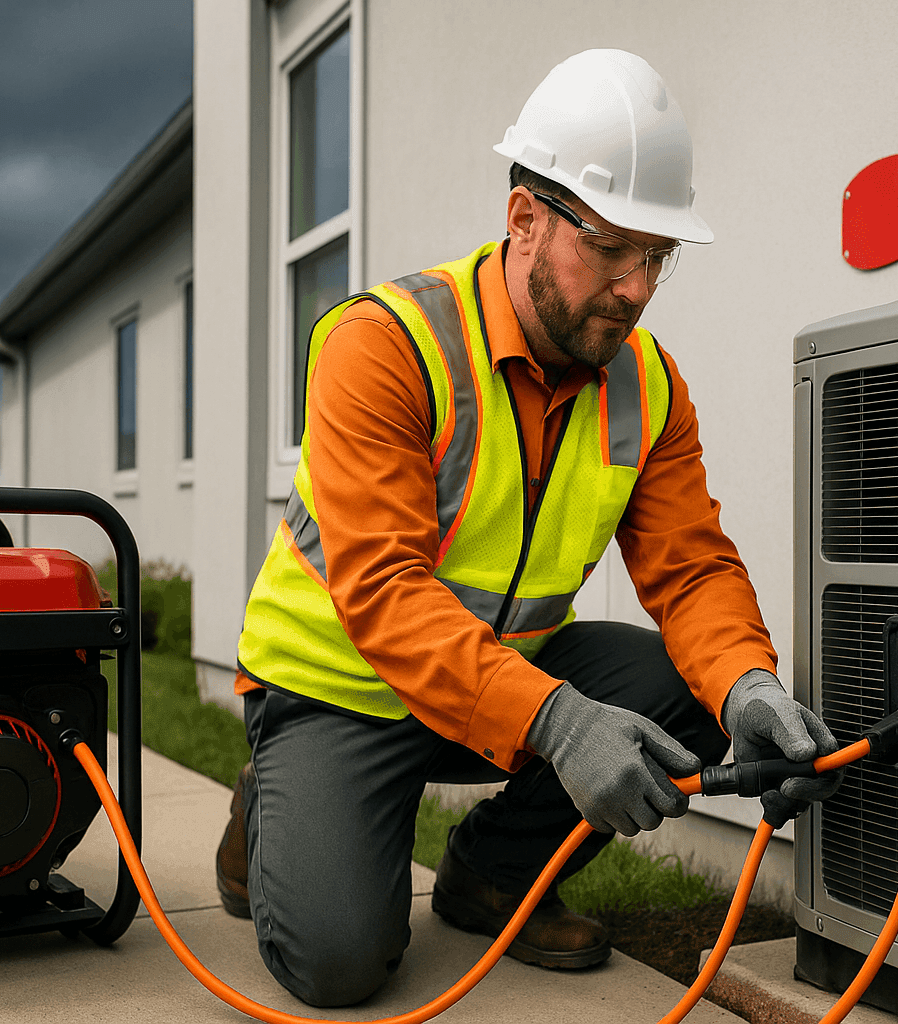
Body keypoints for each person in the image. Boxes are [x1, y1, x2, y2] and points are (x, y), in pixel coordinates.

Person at [214, 49, 840, 1008]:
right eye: (612, 248)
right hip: (342, 689)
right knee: (338, 965)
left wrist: (747, 686)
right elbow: (383, 594)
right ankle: (273, 794)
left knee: (692, 685)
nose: (636, 287)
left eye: (657, 257)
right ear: (524, 220)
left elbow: (691, 569)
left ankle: (493, 877)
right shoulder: (383, 345)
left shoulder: (649, 385)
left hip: (498, 678)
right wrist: (559, 721)